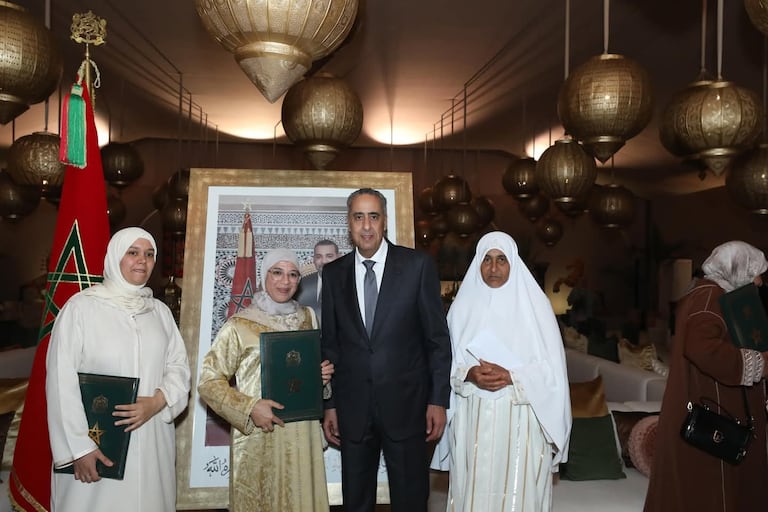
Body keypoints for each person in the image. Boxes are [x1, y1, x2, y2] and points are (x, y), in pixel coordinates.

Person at [321, 188, 452, 511]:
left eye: (373, 216)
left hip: (408, 408)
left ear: (385, 221)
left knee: (410, 502)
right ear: (349, 223)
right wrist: (330, 405)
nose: (366, 226)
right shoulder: (334, 274)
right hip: (352, 410)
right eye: (358, 217)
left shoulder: (417, 266)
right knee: (356, 502)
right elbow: (330, 345)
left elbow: (437, 340)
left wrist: (438, 400)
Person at [46, 227, 191, 511]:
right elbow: (61, 382)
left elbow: (178, 367)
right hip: (96, 442)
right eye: (133, 252)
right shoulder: (81, 309)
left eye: (149, 254)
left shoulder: (159, 312)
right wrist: (80, 448)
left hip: (152, 439)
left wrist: (159, 400)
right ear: (115, 257)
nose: (142, 260)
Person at [432, 231, 571, 511]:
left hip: (522, 421)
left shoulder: (536, 308)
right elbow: (443, 365)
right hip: (472, 419)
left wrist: (511, 376)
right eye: (487, 259)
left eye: (501, 260)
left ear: (513, 263)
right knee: (473, 493)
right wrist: (470, 373)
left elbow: (553, 373)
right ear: (478, 263)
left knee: (518, 496)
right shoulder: (461, 309)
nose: (493, 267)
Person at [198, 248, 334, 512]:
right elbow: (208, 381)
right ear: (264, 276)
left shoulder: (307, 317)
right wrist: (249, 407)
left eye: (293, 274)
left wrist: (318, 377)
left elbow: (301, 373)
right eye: (277, 272)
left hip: (302, 434)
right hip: (260, 435)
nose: (285, 281)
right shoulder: (240, 324)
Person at [644, 240, 768, 512]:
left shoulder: (710, 294)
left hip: (715, 407)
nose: (759, 281)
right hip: (714, 414)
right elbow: (703, 349)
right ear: (737, 269)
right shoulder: (710, 297)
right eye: (756, 272)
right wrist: (759, 363)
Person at [294, 239, 340, 321]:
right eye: (318, 257)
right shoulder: (301, 285)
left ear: (339, 258)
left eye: (329, 256)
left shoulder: (351, 284)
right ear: (314, 260)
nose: (324, 261)